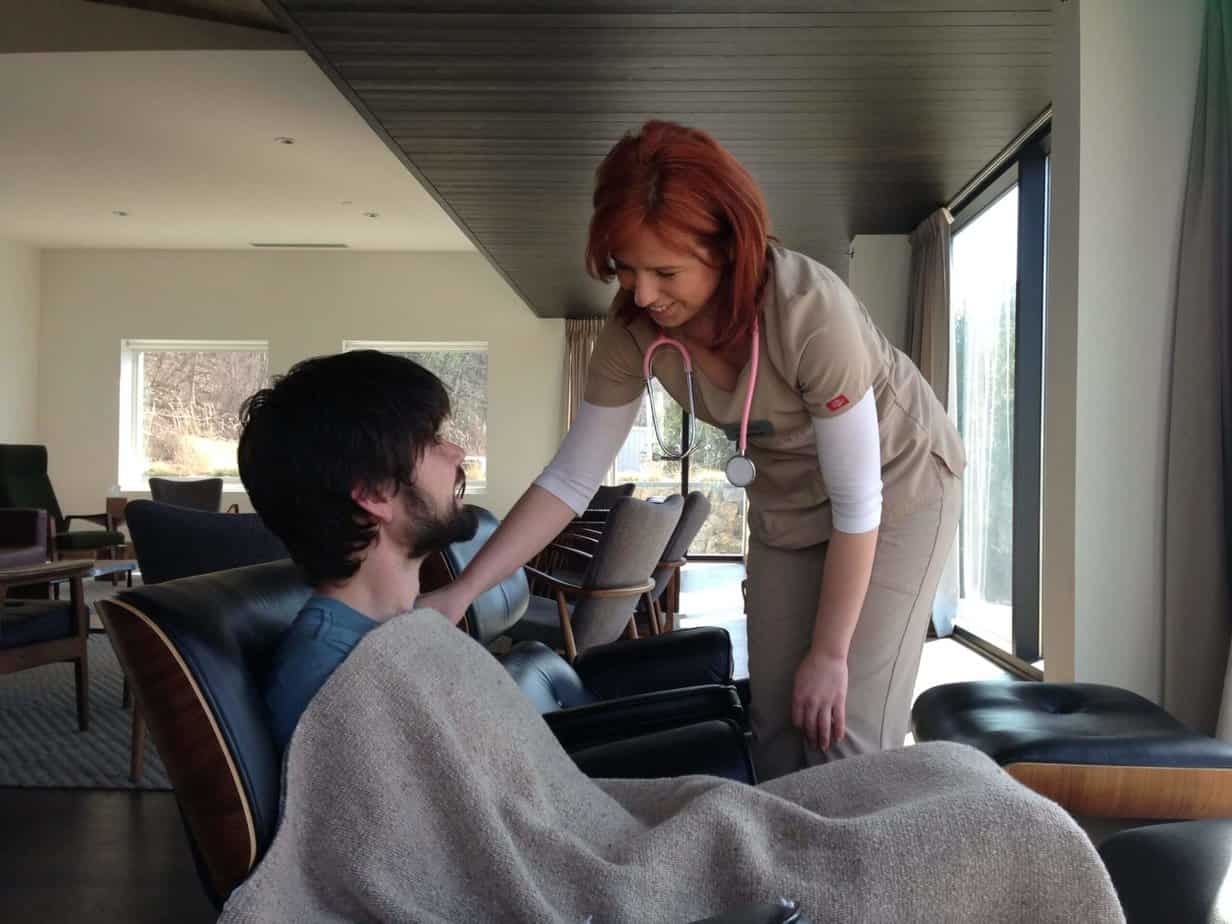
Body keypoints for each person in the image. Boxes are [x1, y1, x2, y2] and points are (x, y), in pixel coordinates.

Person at [420, 120, 965, 780]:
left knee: (838, 730)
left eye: (665, 271)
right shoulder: (631, 333)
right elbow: (570, 480)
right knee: (775, 729)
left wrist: (830, 651)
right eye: (626, 269)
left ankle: (857, 879)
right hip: (788, 504)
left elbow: (858, 501)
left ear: (731, 250)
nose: (642, 293)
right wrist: (464, 590)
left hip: (895, 486)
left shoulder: (810, 311)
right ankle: (783, 879)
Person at [236, 349, 479, 751]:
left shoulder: (387, 637)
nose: (456, 453)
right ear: (373, 493)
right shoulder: (334, 678)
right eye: (432, 440)